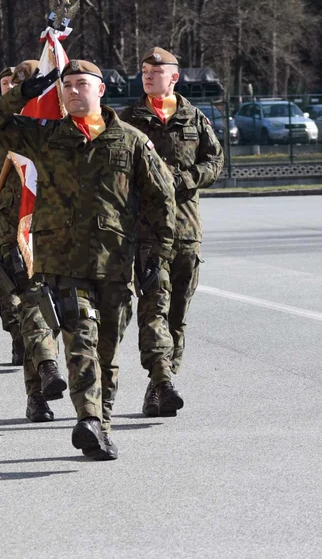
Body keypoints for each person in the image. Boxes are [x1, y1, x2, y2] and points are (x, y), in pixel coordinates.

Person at [0, 59, 175, 460]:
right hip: (61, 262)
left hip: (115, 262)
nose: (72, 91)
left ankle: (102, 422)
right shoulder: (45, 137)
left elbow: (161, 199)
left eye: (81, 84)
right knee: (80, 341)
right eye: (66, 85)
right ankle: (87, 418)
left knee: (106, 350)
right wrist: (25, 93)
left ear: (100, 90)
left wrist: (157, 254)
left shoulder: (131, 141)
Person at [118, 47, 223, 417]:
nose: (148, 76)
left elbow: (216, 160)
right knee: (153, 309)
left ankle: (159, 384)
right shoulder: (128, 119)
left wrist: (184, 178)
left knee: (177, 312)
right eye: (144, 70)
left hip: (186, 231)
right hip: (147, 233)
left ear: (173, 77)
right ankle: (162, 379)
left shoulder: (194, 117)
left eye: (156, 71)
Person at [0, 61, 66, 422]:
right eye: (18, 86)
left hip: (59, 231)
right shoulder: (6, 132)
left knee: (55, 315)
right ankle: (45, 372)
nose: (28, 90)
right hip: (14, 234)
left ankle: (39, 389)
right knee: (33, 305)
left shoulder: (63, 129)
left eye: (33, 85)